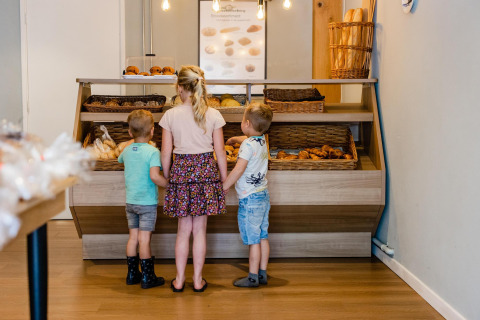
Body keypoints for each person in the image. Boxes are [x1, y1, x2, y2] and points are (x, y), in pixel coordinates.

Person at [160, 65, 228, 292]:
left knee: (183, 230)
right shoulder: (214, 114)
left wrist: (169, 176)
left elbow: (166, 152)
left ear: (179, 88)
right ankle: (198, 281)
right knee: (199, 230)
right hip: (207, 172)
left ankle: (179, 280)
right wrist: (224, 179)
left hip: (181, 171)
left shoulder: (170, 115)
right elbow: (220, 152)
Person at [222, 103, 273, 287]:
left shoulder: (247, 147)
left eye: (243, 120)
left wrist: (224, 186)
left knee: (253, 241)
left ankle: (252, 277)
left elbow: (238, 169)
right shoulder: (262, 140)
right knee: (262, 236)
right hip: (263, 196)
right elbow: (250, 138)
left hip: (250, 199)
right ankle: (263, 273)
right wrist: (237, 138)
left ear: (247, 123)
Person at [118, 109, 168, 289]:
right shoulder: (153, 152)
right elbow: (155, 176)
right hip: (147, 203)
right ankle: (148, 277)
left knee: (133, 238)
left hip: (130, 201)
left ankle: (132, 275)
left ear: (130, 132)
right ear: (153, 130)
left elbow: (119, 159)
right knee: (144, 240)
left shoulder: (127, 149)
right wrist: (167, 184)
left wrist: (131, 144)